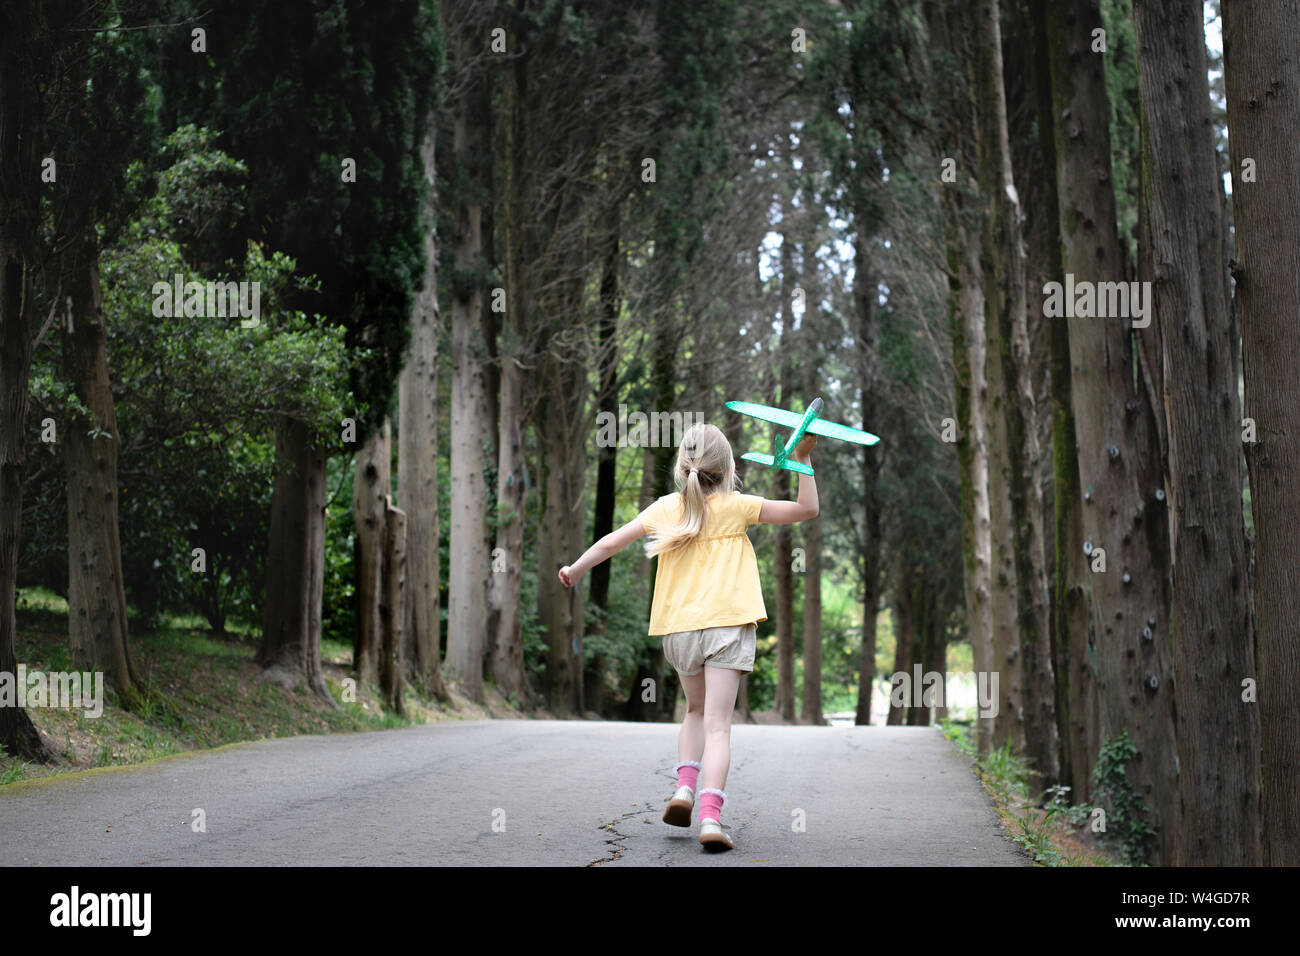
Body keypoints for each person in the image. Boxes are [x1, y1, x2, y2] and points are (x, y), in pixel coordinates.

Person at [558, 421, 819, 851]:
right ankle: (711, 820)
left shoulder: (665, 508)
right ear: (728, 467)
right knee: (719, 727)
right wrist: (803, 461)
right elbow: (805, 510)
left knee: (693, 712)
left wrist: (576, 569)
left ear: (683, 468)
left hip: (679, 631)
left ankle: (683, 789)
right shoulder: (739, 506)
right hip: (727, 627)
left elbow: (609, 543)